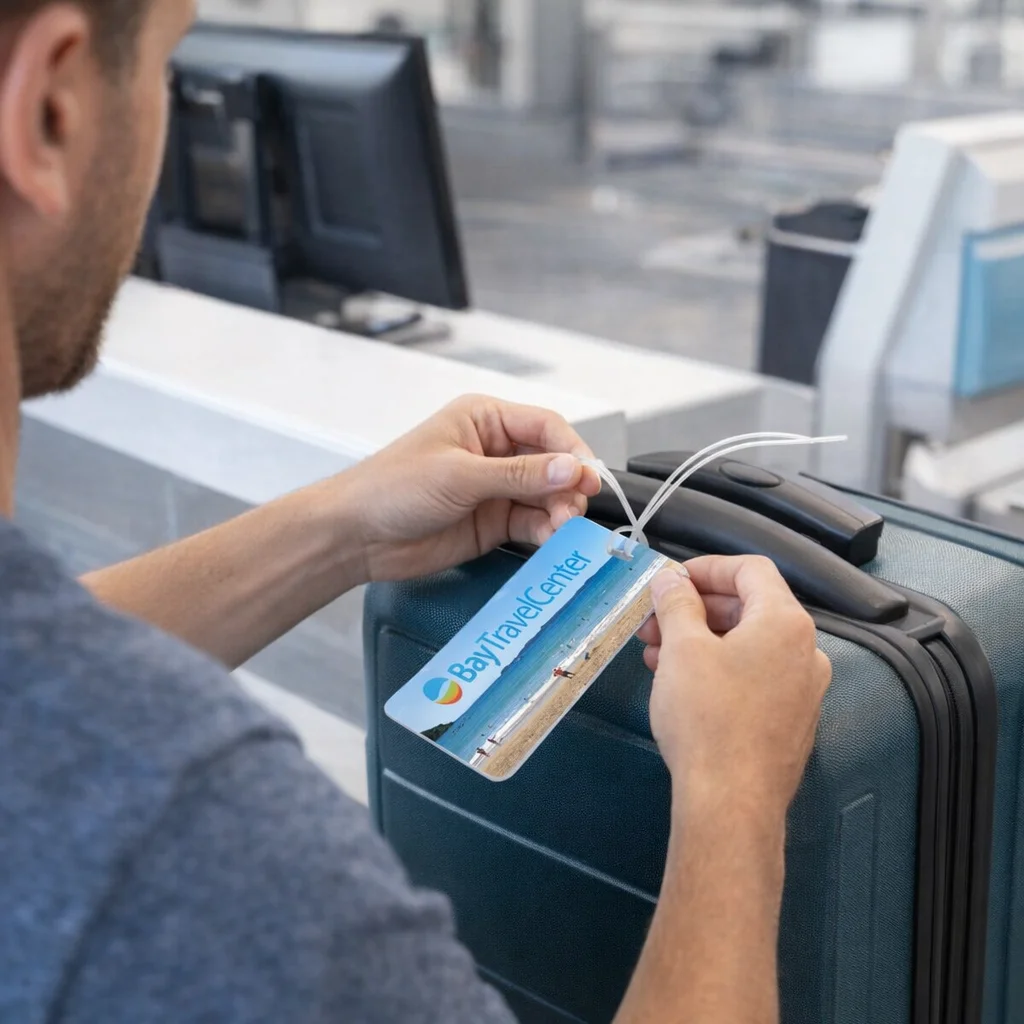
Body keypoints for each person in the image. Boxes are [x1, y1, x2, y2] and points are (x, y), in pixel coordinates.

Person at [0, 1, 832, 1022]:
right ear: (47, 108)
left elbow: (35, 671)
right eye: (170, 66)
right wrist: (738, 792)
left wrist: (347, 525)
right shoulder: (201, 856)